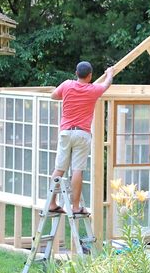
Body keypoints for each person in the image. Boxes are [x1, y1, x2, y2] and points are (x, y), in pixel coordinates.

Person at [48, 61, 114, 215]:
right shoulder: (94, 90)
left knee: (59, 169)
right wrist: (109, 73)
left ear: (76, 73)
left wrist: (65, 97)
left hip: (65, 132)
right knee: (77, 169)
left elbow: (53, 96)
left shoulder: (67, 85)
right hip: (82, 134)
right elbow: (106, 84)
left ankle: (51, 203)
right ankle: (76, 207)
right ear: (90, 75)